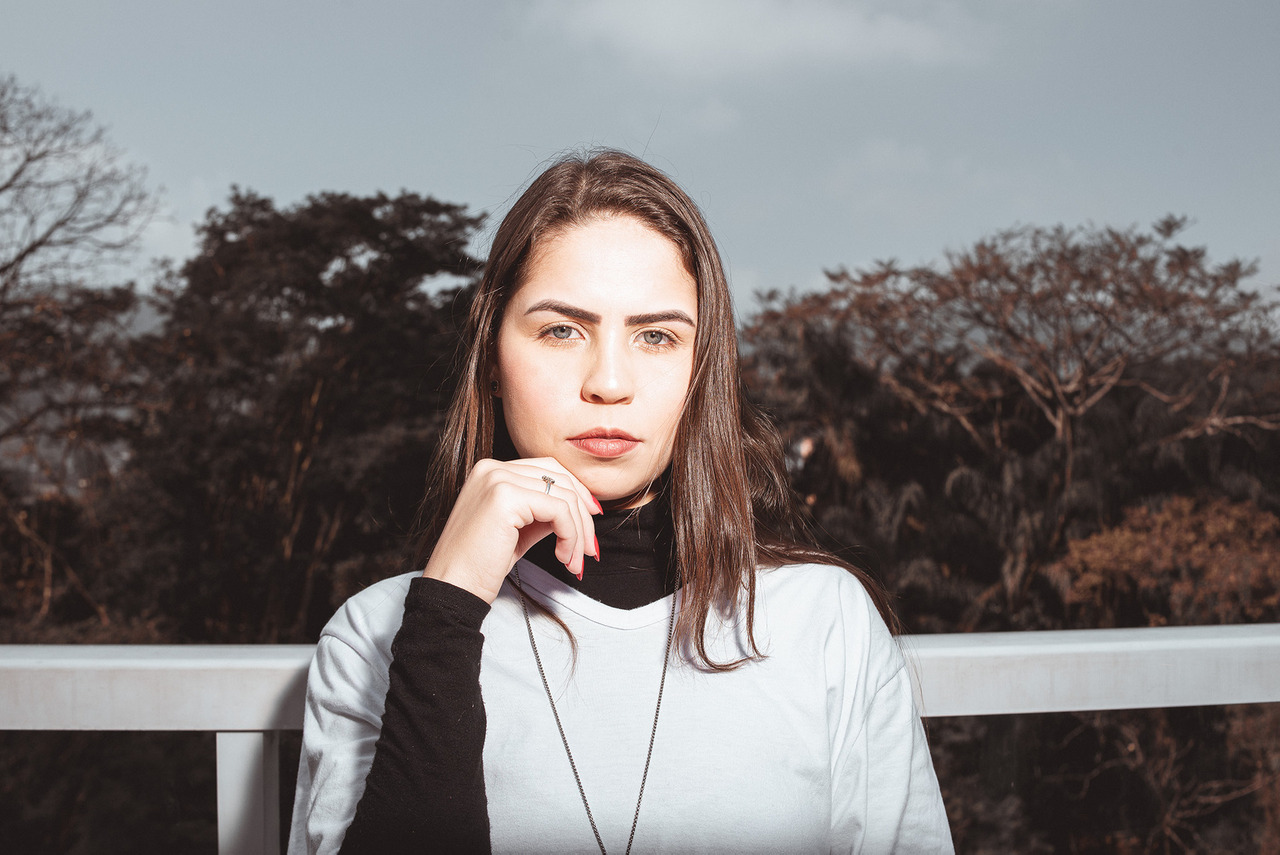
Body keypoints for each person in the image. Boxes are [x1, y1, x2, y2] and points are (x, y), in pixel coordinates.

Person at [287, 150, 953, 854]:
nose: (608, 381)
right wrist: (446, 609)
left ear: (704, 368)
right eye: (562, 330)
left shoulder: (828, 623)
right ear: (491, 356)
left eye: (656, 335)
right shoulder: (375, 636)